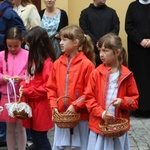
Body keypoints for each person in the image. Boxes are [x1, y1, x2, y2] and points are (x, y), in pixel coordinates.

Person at [84, 33, 139, 150]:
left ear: (117, 52)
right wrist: (102, 113)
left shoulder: (127, 75)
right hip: (99, 125)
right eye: (100, 51)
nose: (101, 54)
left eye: (105, 51)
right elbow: (88, 98)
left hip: (118, 127)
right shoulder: (96, 73)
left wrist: (122, 102)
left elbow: (134, 101)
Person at [46, 25, 95, 150]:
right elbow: (51, 88)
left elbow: (90, 92)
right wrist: (54, 106)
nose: (60, 43)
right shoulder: (57, 63)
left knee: (81, 147)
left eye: (64, 40)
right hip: (62, 117)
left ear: (76, 43)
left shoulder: (87, 65)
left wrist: (76, 105)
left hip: (81, 118)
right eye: (60, 39)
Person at [19, 26, 56, 150]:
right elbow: (28, 78)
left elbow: (47, 87)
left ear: (37, 45)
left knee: (41, 138)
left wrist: (27, 90)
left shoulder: (47, 63)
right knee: (34, 137)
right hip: (31, 104)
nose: (27, 48)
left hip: (41, 106)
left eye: (29, 46)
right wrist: (22, 85)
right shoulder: (34, 59)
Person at [0, 0, 26, 146]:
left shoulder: (27, 55)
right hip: (6, 97)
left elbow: (30, 75)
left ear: (22, 41)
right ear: (5, 43)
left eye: (16, 46)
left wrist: (21, 78)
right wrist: (3, 78)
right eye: (9, 46)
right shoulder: (1, 55)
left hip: (21, 96)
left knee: (21, 128)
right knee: (9, 128)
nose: (13, 49)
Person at [125, 0, 150, 117]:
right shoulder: (132, 6)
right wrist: (141, 40)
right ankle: (138, 108)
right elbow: (128, 27)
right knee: (139, 78)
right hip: (137, 49)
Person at [79, 0, 120, 67]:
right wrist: (97, 43)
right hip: (91, 51)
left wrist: (104, 42)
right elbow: (84, 30)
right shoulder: (85, 13)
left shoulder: (112, 13)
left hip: (109, 49)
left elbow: (115, 29)